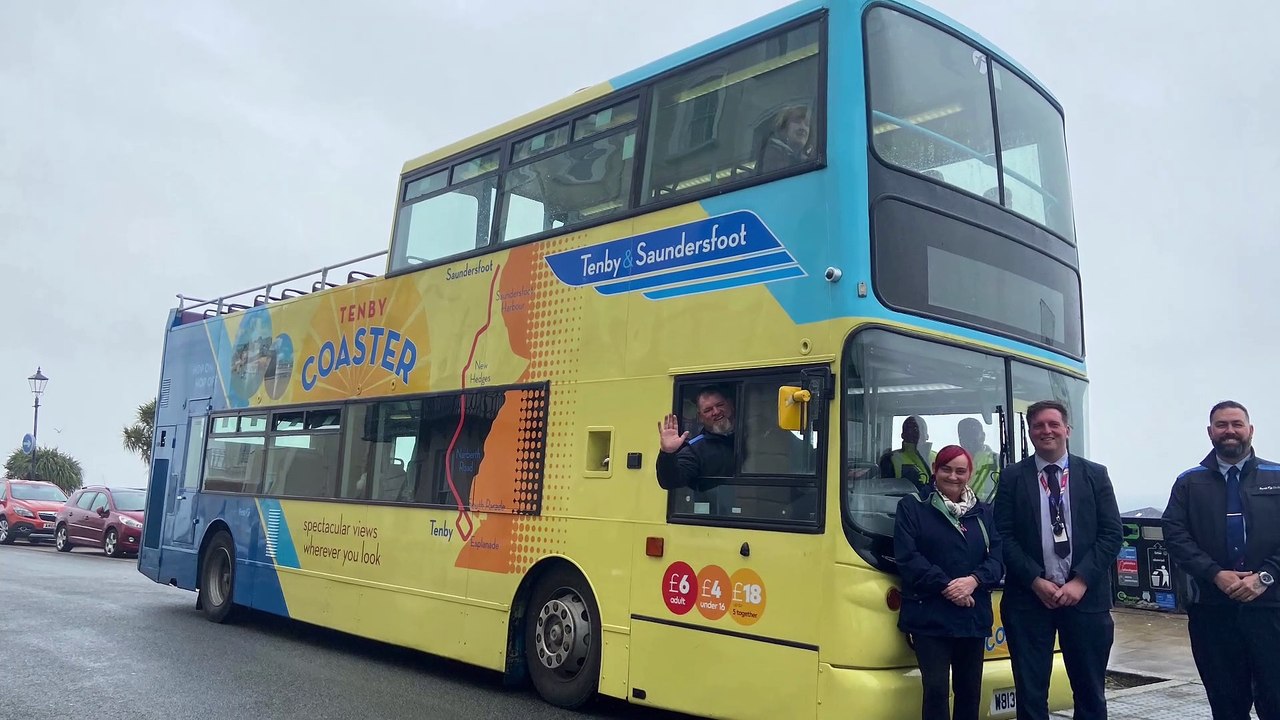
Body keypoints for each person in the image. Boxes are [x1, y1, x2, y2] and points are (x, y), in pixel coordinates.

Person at [993, 400, 1121, 720]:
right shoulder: (1011, 478)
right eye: (1038, 426)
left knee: (1091, 693)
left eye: (1053, 424)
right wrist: (1035, 580)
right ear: (1030, 432)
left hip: (1086, 601)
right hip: (1028, 601)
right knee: (1031, 693)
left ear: (1067, 430)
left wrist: (1080, 581)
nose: (1046, 431)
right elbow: (1003, 535)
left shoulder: (1095, 475)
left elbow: (1112, 534)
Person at [1163, 401, 1280, 719]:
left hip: (1272, 610)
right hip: (1212, 612)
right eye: (1221, 425)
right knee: (1227, 705)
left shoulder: (1277, 477)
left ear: (1250, 430)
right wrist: (1215, 574)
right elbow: (1175, 535)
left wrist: (1265, 577)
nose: (1230, 431)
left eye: (1237, 424)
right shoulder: (1189, 483)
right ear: (1210, 432)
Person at [895, 445, 1004, 720]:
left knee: (969, 692)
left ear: (969, 474)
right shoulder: (912, 506)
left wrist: (973, 581)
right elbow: (908, 557)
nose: (953, 476)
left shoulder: (983, 512)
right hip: (929, 615)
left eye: (960, 471)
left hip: (972, 614)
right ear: (935, 470)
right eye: (946, 469)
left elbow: (998, 559)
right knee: (935, 690)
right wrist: (947, 586)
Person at [657, 387, 735, 491]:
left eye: (720, 405)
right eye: (708, 410)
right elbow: (671, 482)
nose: (716, 412)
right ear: (700, 417)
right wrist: (667, 453)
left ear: (730, 404)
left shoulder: (753, 432)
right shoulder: (695, 449)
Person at [880, 415, 934, 486]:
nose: (916, 432)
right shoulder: (889, 459)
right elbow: (886, 490)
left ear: (927, 435)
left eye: (921, 428)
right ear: (902, 435)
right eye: (911, 429)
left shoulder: (938, 457)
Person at [758, 106, 812, 174]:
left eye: (807, 124)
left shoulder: (807, 159)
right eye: (797, 122)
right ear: (783, 129)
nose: (803, 128)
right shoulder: (773, 153)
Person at [958, 418, 1000, 500]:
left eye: (973, 434)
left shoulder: (998, 461)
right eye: (964, 435)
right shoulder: (953, 463)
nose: (969, 439)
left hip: (989, 511)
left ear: (983, 436)